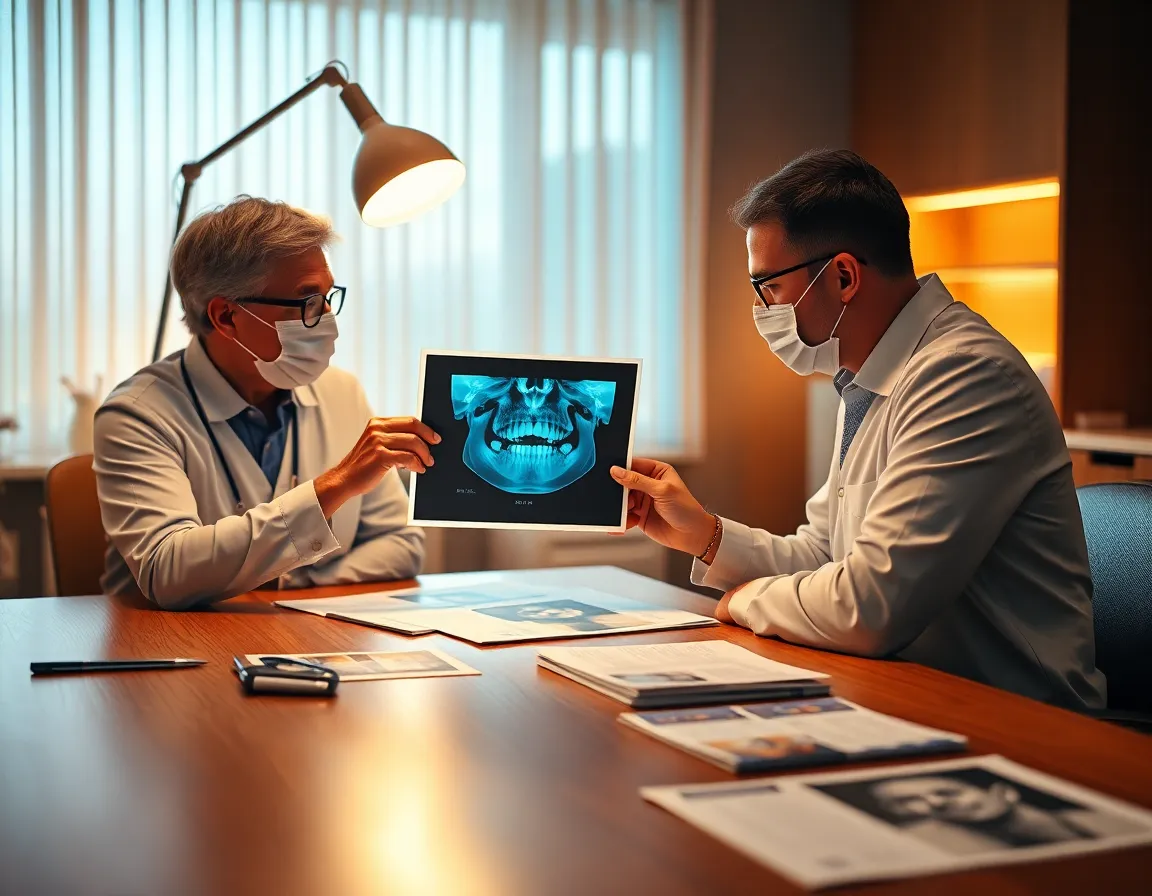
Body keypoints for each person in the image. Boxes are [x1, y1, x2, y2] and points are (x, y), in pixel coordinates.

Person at [611, 149, 1105, 710]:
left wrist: (746, 600)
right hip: (913, 695)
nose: (762, 309)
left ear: (843, 276)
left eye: (767, 286)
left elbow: (871, 605)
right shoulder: (868, 377)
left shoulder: (965, 375)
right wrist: (705, 535)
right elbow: (827, 558)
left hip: (1021, 723)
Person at [94, 197, 435, 609]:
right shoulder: (137, 414)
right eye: (307, 300)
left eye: (329, 297)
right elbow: (166, 569)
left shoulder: (342, 392)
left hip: (306, 643)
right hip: (169, 650)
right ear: (225, 317)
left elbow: (401, 543)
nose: (327, 318)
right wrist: (336, 484)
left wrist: (288, 584)